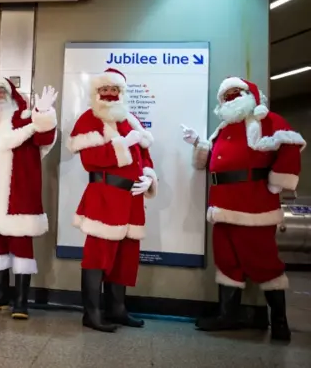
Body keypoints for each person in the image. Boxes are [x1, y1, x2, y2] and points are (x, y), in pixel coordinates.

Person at [182, 77, 305, 342]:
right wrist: (198, 144)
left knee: (264, 262)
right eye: (226, 96)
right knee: (227, 261)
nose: (231, 99)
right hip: (222, 205)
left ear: (249, 94)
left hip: (254, 206)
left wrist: (278, 183)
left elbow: (291, 145)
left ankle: (280, 321)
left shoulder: (266, 119)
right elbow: (211, 157)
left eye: (236, 93)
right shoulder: (224, 128)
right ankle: (228, 315)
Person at [66, 68, 158, 333]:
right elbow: (90, 160)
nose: (108, 94)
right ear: (96, 93)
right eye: (103, 90)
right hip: (104, 197)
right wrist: (122, 144)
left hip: (132, 199)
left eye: (113, 90)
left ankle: (117, 309)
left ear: (121, 93)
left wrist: (149, 178)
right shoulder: (88, 119)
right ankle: (91, 313)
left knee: (125, 257)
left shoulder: (131, 119)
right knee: (98, 256)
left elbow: (146, 156)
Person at [0, 76, 58, 320]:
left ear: (10, 92)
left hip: (20, 196)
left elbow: (44, 138)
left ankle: (21, 301)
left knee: (21, 247)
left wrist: (45, 112)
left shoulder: (25, 118)